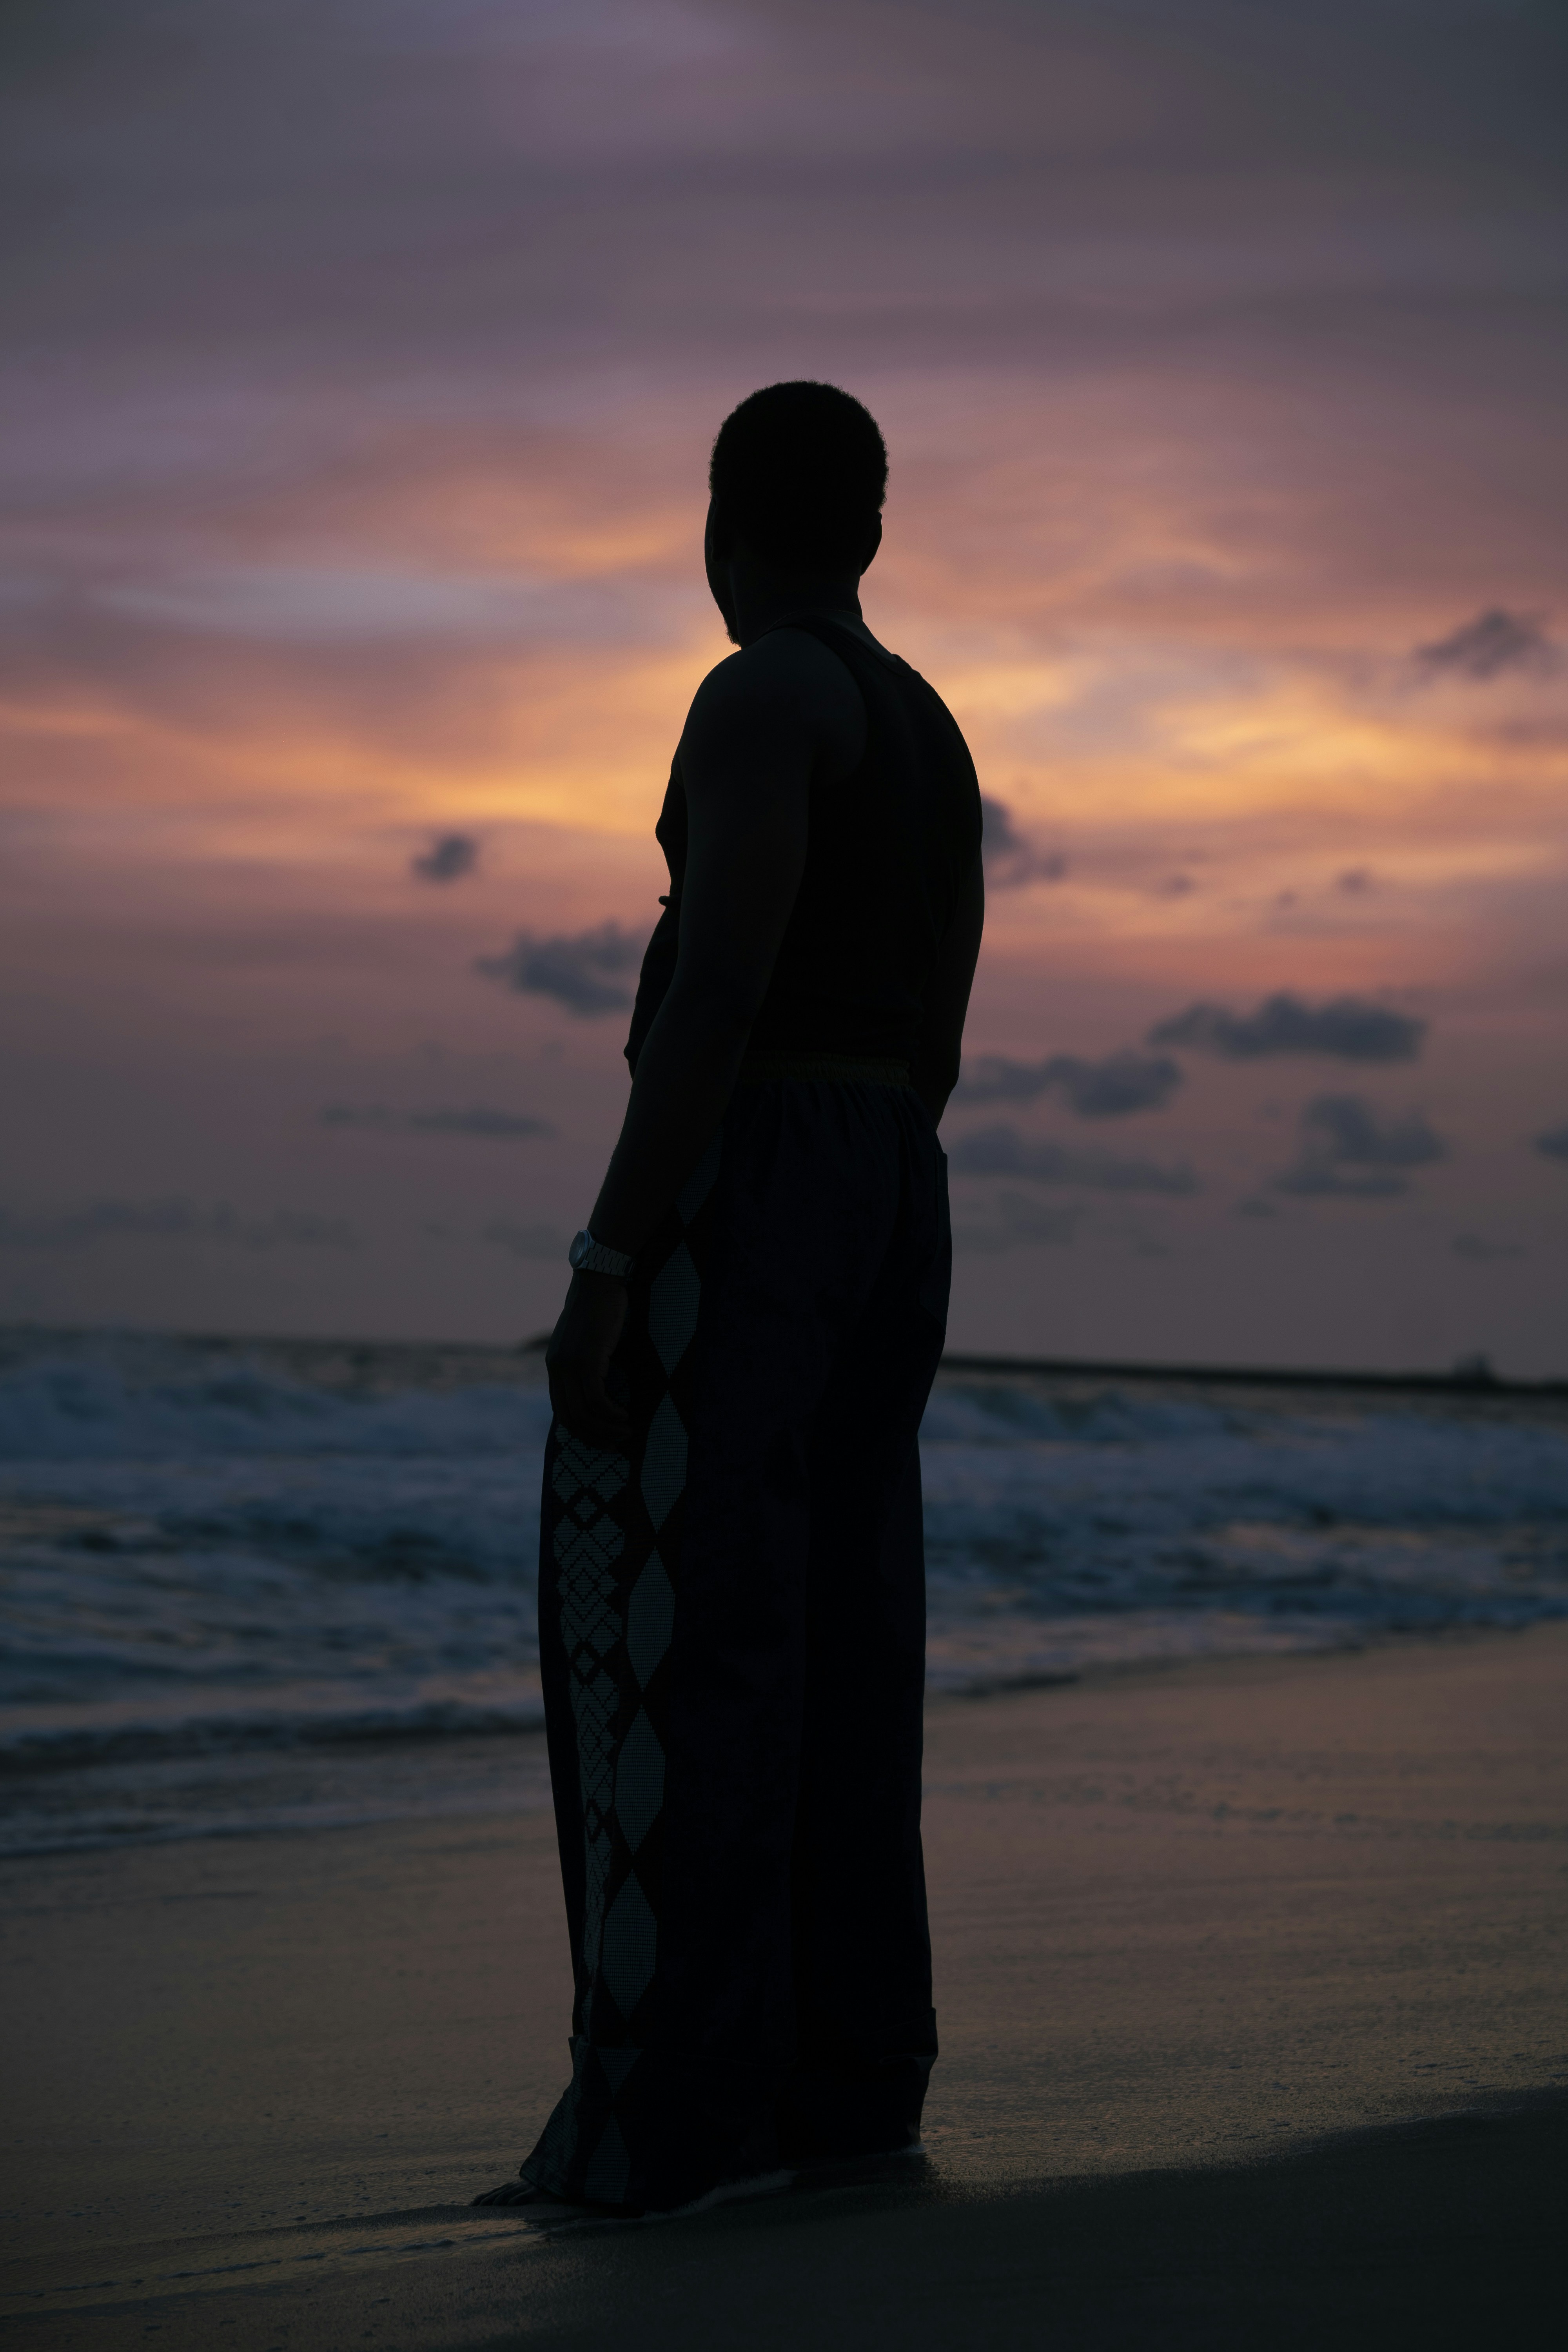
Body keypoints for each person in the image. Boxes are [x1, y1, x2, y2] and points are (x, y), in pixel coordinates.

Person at [476, 380, 984, 2218]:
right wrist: (870, 1187)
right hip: (890, 1179)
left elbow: (720, 986)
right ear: (869, 527)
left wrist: (614, 1258)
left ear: (722, 524)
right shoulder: (928, 727)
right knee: (848, 1628)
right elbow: (939, 1026)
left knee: (676, 1622)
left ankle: (667, 2121)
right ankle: (845, 2089)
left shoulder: (763, 691)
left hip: (761, 1168)